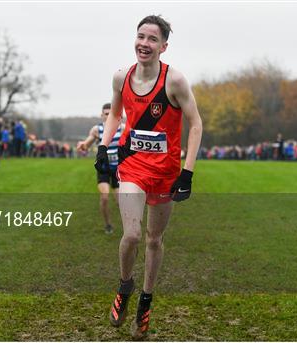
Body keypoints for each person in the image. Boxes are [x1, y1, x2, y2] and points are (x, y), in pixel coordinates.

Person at [95, 15, 203, 339]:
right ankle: (125, 286)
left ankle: (145, 301)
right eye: (140, 36)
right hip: (133, 168)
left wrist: (188, 172)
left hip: (166, 173)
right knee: (132, 235)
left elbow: (196, 124)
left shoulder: (175, 81)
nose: (144, 43)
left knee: (155, 239)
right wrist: (103, 147)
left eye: (152, 39)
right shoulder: (121, 78)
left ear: (164, 46)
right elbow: (115, 113)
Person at [77, 103, 124, 234]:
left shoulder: (123, 128)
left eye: (111, 114)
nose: (109, 116)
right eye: (106, 114)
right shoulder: (97, 130)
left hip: (118, 170)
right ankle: (108, 224)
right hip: (103, 168)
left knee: (120, 201)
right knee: (104, 197)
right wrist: (83, 145)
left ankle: (128, 227)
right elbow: (87, 143)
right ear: (102, 115)